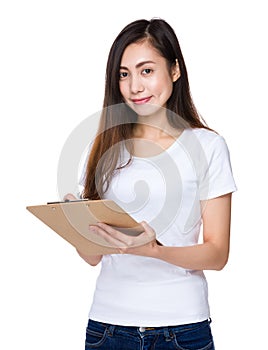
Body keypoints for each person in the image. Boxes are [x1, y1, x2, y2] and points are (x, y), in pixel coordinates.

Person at [66, 18, 237, 349]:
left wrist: (153, 251)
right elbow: (92, 257)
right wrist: (77, 227)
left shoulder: (207, 147)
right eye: (124, 74)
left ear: (174, 70)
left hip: (181, 329)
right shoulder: (102, 146)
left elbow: (217, 254)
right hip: (108, 328)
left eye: (146, 71)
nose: (134, 87)